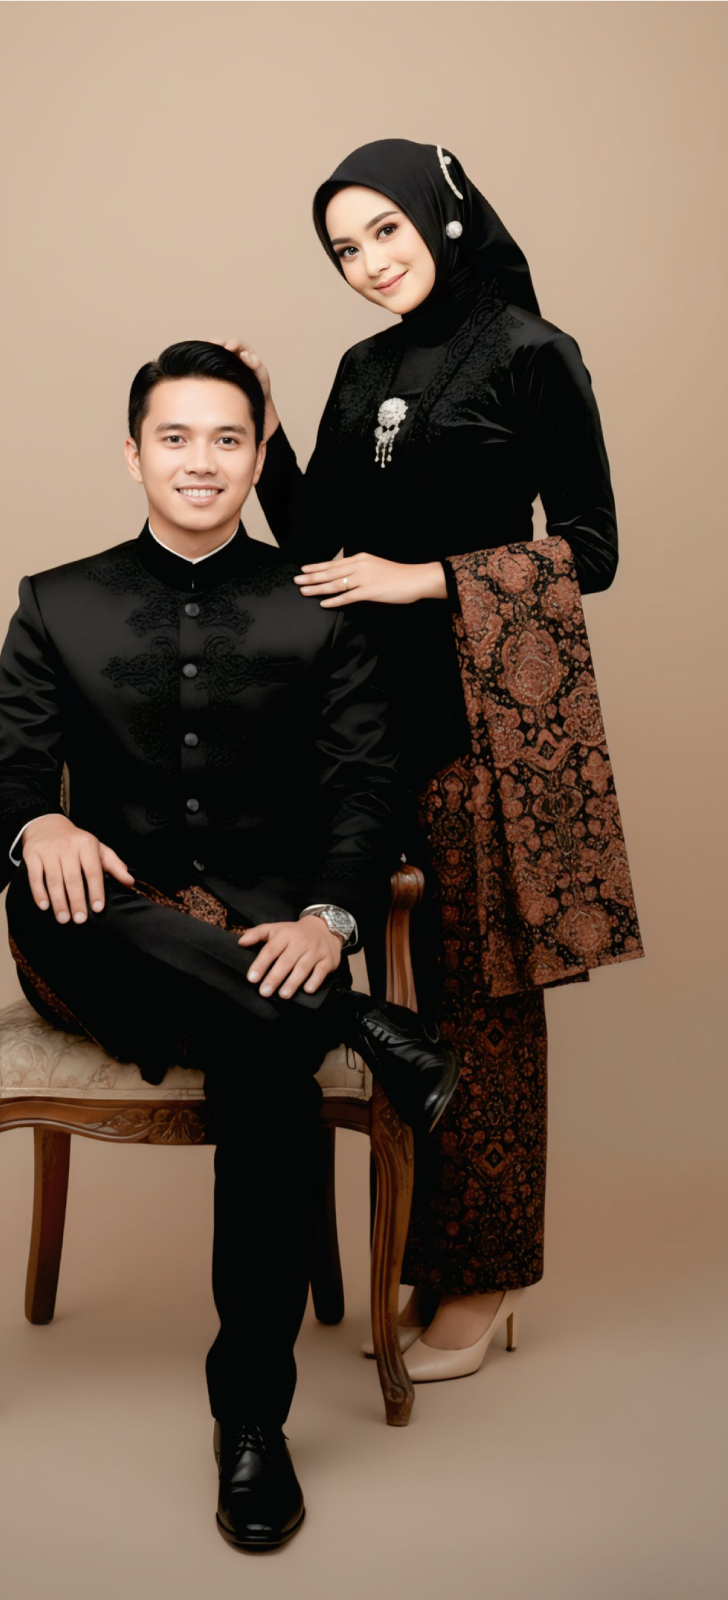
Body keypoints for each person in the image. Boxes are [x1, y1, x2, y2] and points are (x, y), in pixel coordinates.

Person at [0, 340, 459, 1550]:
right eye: (175, 437)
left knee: (265, 1058)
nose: (201, 461)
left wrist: (331, 918)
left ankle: (251, 1422)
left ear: (255, 453)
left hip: (268, 940)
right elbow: (4, 773)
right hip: (100, 938)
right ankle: (353, 1018)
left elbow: (367, 790)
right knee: (81, 898)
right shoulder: (55, 599)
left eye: (227, 438)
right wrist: (37, 823)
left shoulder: (323, 602)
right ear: (133, 453)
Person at [222, 138, 644, 1382]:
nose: (367, 263)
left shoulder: (531, 351)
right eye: (343, 248)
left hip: (481, 729)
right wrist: (276, 434)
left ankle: (488, 1277)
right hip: (360, 724)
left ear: (444, 219)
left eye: (385, 232)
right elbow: (320, 547)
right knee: (387, 1001)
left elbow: (592, 548)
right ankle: (414, 1250)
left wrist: (418, 581)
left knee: (480, 998)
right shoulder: (363, 368)